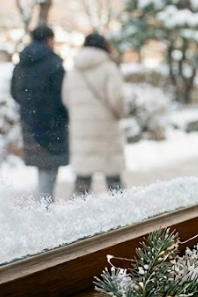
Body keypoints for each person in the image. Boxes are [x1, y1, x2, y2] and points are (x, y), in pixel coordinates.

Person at [62, 33, 127, 196]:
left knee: (83, 179)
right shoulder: (109, 68)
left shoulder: (73, 71)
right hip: (106, 128)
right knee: (113, 178)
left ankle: (78, 215)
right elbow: (117, 99)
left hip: (81, 129)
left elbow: (66, 99)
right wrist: (121, 113)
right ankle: (124, 215)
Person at [10, 25, 69, 202]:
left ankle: (44, 206)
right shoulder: (54, 64)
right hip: (53, 124)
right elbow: (63, 95)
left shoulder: (21, 64)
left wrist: (29, 109)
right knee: (49, 168)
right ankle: (44, 211)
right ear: (49, 39)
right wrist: (63, 115)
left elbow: (15, 92)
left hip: (29, 122)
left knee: (43, 167)